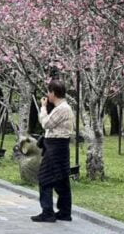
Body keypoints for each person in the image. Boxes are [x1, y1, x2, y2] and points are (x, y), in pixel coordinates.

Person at [32, 78, 75, 223]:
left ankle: (47, 212)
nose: (47, 96)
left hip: (56, 147)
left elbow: (46, 123)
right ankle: (64, 212)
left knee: (45, 179)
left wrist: (43, 108)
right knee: (61, 180)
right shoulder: (63, 108)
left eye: (49, 92)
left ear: (54, 93)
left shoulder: (63, 109)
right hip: (59, 146)